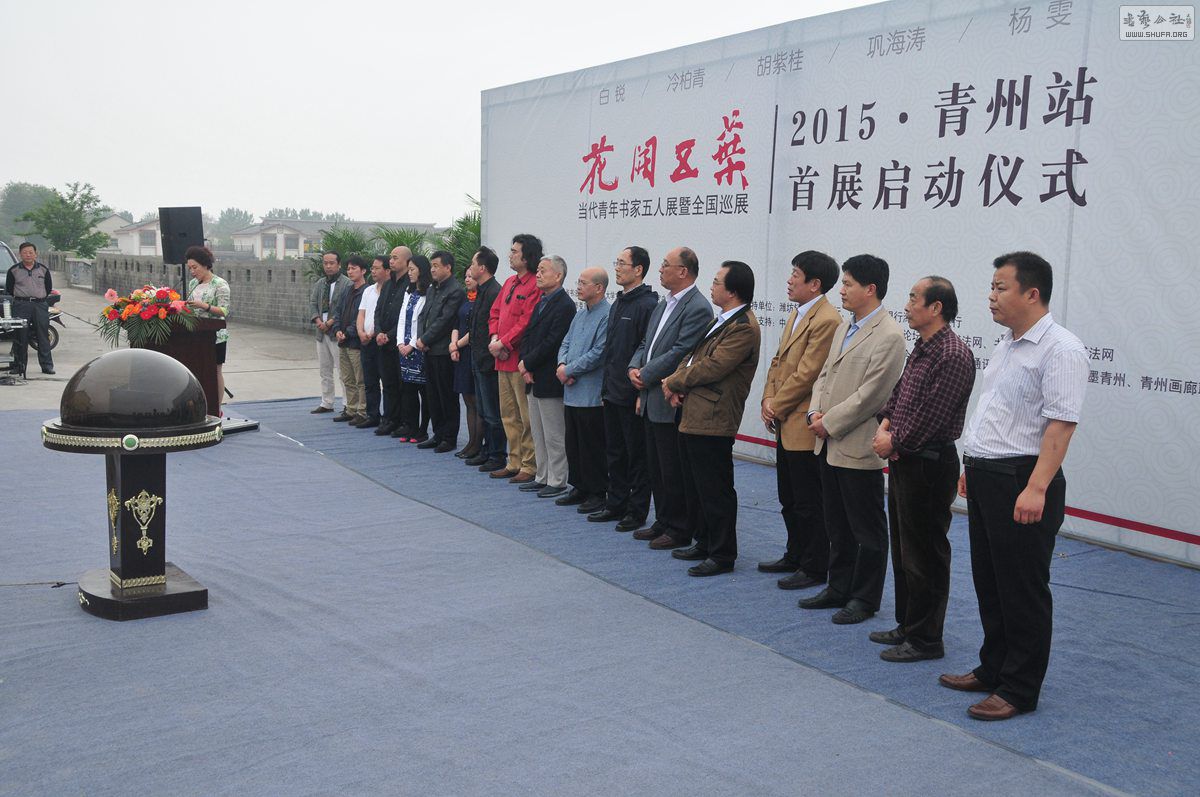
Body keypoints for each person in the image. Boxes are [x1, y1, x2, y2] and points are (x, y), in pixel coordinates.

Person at [940, 252, 1087, 721]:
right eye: (992, 287)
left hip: (1024, 479)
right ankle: (994, 668)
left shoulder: (1061, 349)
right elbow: (996, 411)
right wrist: (974, 462)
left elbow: (1060, 426)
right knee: (990, 581)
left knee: (1022, 587)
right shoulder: (1007, 344)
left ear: (1032, 293)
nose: (991, 296)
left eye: (1000, 287)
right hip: (989, 475)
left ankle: (1020, 688)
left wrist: (1037, 487)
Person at [870, 277, 975, 663]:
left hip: (929, 463)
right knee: (904, 549)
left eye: (914, 298)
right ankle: (908, 625)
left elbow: (932, 417)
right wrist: (885, 425)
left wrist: (893, 441)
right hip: (906, 457)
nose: (907, 305)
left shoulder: (953, 354)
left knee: (925, 554)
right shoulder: (923, 346)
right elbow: (898, 396)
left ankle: (927, 639)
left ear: (936, 308)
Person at [800, 255, 906, 625]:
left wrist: (829, 422)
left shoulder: (890, 335)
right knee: (837, 523)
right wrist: (814, 412)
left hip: (858, 444)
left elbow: (872, 396)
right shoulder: (846, 326)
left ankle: (864, 598)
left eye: (847, 284)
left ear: (870, 289)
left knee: (867, 528)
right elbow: (823, 376)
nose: (841, 290)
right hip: (828, 440)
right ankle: (838, 586)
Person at [664, 262, 761, 576]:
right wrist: (675, 382)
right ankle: (704, 540)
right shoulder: (721, 320)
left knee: (715, 488)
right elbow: (692, 356)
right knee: (695, 484)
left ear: (732, 291)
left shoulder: (743, 326)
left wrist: (673, 382)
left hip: (715, 417)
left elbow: (713, 367)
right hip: (694, 412)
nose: (712, 286)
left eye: (717, 282)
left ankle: (722, 553)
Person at [757, 251, 842, 590]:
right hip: (783, 418)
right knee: (788, 498)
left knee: (808, 502)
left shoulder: (827, 320)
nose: (789, 280)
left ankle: (814, 565)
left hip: (802, 424)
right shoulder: (798, 313)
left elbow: (807, 375)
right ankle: (794, 554)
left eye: (796, 274)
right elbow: (778, 362)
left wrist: (775, 405)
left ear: (815, 283)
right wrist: (767, 399)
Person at [628, 246, 713, 550]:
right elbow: (645, 342)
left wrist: (646, 374)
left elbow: (681, 351)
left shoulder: (697, 307)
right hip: (651, 394)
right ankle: (663, 520)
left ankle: (679, 528)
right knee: (655, 466)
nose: (660, 269)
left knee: (672, 468)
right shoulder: (664, 303)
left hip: (670, 396)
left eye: (666, 265)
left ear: (683, 271)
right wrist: (634, 367)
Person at [592, 246, 658, 531]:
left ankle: (636, 510)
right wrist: (605, 389)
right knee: (615, 452)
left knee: (637, 456)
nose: (617, 268)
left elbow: (647, 350)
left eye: (622, 263)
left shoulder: (648, 305)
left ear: (638, 269)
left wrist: (641, 393)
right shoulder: (619, 301)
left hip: (632, 393)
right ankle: (615, 503)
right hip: (612, 390)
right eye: (616, 262)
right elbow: (611, 351)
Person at [488, 234, 543, 482]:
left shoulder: (534, 285)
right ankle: (514, 461)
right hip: (501, 358)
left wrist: (503, 343)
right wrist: (494, 339)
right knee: (507, 414)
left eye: (514, 251)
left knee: (525, 416)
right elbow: (495, 313)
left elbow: (526, 322)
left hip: (519, 360)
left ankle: (529, 466)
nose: (510, 255)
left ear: (527, 256)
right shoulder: (510, 282)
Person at [518, 255, 574, 493]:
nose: (538, 275)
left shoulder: (565, 305)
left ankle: (557, 480)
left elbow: (553, 342)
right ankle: (542, 475)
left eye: (543, 271)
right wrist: (525, 364)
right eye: (538, 270)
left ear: (558, 276)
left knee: (554, 434)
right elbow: (528, 335)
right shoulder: (542, 301)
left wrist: (528, 363)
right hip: (532, 376)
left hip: (549, 377)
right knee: (538, 432)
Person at [559, 267, 611, 509]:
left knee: (592, 446)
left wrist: (569, 370)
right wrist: (562, 365)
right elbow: (565, 342)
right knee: (574, 444)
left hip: (591, 393)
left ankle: (597, 492)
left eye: (583, 283)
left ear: (599, 288)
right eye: (578, 282)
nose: (578, 287)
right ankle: (579, 486)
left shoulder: (607, 315)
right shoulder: (580, 314)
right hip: (571, 390)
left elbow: (599, 353)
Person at [415, 250, 467, 453]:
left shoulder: (456, 291)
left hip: (444, 350)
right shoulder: (432, 288)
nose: (432, 269)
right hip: (428, 349)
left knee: (447, 396)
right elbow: (423, 316)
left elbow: (445, 321)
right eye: (431, 266)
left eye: (436, 266)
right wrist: (421, 339)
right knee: (432, 395)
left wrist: (425, 339)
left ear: (448, 267)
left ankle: (449, 437)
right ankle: (437, 434)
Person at [466, 246, 505, 472]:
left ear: (482, 268)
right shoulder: (481, 290)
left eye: (473, 264)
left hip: (489, 361)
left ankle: (497, 454)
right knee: (482, 409)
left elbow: (495, 326)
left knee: (492, 412)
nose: (470, 268)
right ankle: (486, 450)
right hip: (477, 358)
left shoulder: (494, 291)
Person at [184, 245, 231, 405]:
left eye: (195, 267)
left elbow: (224, 311)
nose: (192, 271)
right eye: (190, 268)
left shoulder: (220, 284)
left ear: (205, 264)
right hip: (195, 333)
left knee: (215, 370)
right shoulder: (193, 284)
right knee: (196, 369)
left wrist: (204, 306)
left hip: (215, 336)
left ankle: (217, 407)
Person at [373, 246, 412, 436]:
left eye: (395, 258)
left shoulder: (410, 285)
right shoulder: (388, 284)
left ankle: (403, 422)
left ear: (406, 261)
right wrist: (379, 332)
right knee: (388, 384)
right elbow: (378, 310)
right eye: (391, 257)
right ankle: (389, 419)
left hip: (399, 343)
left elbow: (406, 317)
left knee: (401, 384)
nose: (391, 261)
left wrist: (389, 334)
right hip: (383, 342)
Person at [308, 251, 352, 414]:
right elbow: (312, 303)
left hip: (337, 332)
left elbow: (345, 308)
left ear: (339, 264)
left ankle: (348, 404)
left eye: (332, 263)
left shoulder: (347, 284)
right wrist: (318, 321)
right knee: (324, 370)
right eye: (325, 263)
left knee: (343, 371)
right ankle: (327, 402)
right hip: (321, 333)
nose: (328, 266)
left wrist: (330, 323)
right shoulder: (320, 283)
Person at [395, 256, 432, 443]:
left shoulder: (429, 292)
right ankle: (410, 426)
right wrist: (400, 343)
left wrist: (411, 344)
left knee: (423, 391)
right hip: (404, 348)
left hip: (418, 347)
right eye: (408, 269)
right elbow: (402, 318)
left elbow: (423, 322)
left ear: (421, 271)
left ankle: (422, 430)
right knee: (408, 390)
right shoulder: (409, 292)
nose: (409, 273)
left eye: (412, 269)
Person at [5, 242, 54, 375]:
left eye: (31, 252)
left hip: (40, 305)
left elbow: (48, 287)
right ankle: (18, 366)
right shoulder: (14, 270)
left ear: (35, 254)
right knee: (20, 336)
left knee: (42, 335)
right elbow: (10, 288)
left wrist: (38, 298)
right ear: (20, 254)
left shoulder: (43, 269)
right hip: (21, 305)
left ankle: (47, 366)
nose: (28, 255)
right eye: (25, 252)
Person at [333, 256, 370, 425]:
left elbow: (362, 318)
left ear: (363, 271)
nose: (350, 271)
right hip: (343, 341)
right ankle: (351, 409)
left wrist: (347, 333)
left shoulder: (367, 291)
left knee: (360, 379)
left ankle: (362, 411)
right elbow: (337, 312)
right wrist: (337, 330)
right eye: (348, 269)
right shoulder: (347, 290)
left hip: (356, 343)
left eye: (354, 268)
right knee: (347, 378)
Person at [449, 270, 483, 459]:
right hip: (460, 353)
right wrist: (453, 345)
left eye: (472, 276)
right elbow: (456, 324)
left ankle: (478, 444)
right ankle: (470, 442)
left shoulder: (482, 300)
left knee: (477, 401)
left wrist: (457, 345)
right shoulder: (465, 298)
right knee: (468, 400)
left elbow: (475, 329)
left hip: (472, 351)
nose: (468, 279)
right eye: (466, 276)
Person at [354, 255, 390, 428]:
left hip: (382, 341)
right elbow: (361, 314)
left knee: (387, 382)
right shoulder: (368, 290)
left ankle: (388, 417)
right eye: (372, 268)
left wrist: (374, 333)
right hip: (366, 342)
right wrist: (361, 332)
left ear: (387, 270)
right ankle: (372, 415)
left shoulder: (391, 290)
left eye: (377, 268)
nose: (373, 271)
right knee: (369, 381)